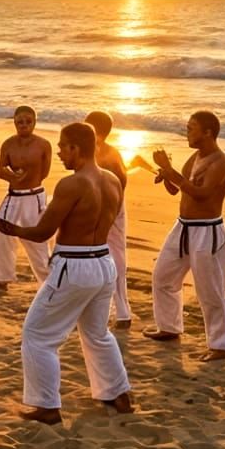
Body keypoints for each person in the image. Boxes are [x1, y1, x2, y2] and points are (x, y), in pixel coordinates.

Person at [0, 122, 133, 425]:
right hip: (103, 261)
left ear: (76, 148)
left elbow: (43, 231)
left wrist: (12, 229)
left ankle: (46, 406)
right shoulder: (112, 180)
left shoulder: (72, 184)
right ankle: (119, 393)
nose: (58, 153)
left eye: (62, 147)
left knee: (37, 335)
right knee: (97, 333)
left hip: (74, 264)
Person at [145, 110, 225, 362]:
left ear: (208, 132)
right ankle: (169, 327)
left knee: (210, 289)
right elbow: (177, 189)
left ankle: (220, 345)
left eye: (190, 128)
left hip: (208, 230)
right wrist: (166, 175)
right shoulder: (194, 157)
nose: (186, 132)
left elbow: (201, 193)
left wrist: (168, 169)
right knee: (163, 276)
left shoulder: (221, 162)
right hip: (183, 227)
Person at [0, 106, 53, 284]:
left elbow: (45, 173)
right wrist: (13, 176)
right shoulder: (9, 144)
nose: (24, 125)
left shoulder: (43, 144)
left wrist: (28, 179)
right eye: (20, 122)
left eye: (28, 121)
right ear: (14, 123)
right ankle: (2, 277)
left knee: (36, 242)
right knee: (2, 237)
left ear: (34, 123)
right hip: (14, 196)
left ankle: (48, 281)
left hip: (34, 196)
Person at [85, 111, 131, 329]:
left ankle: (122, 313)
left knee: (114, 256)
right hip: (99, 205)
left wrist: (107, 210)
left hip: (110, 207)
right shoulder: (95, 151)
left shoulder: (109, 153)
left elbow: (120, 181)